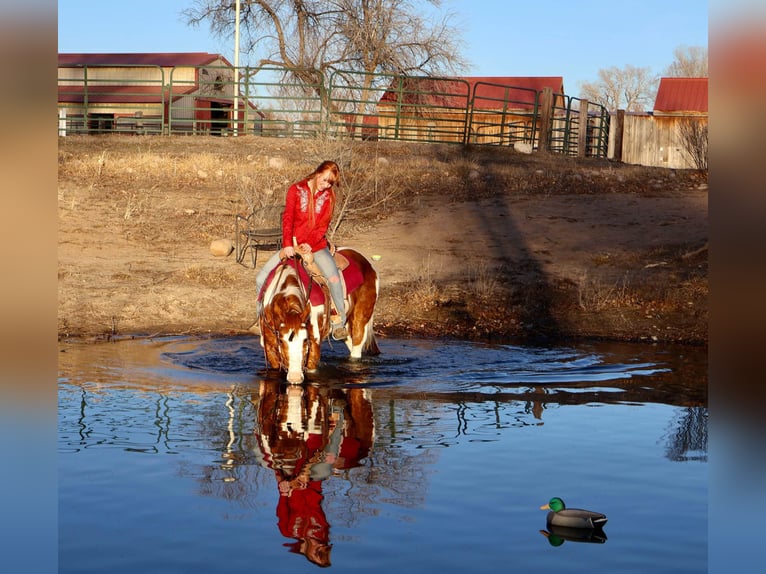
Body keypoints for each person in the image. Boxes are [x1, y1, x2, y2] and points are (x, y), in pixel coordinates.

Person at [254, 160, 348, 340]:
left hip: (316, 246)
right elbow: (288, 218)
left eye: (331, 182)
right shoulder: (296, 190)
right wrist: (288, 244)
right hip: (293, 244)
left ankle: (339, 323)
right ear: (318, 173)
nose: (327, 185)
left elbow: (322, 226)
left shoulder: (328, 197)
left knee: (334, 278)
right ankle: (261, 319)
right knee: (261, 277)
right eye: (325, 180)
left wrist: (311, 245)